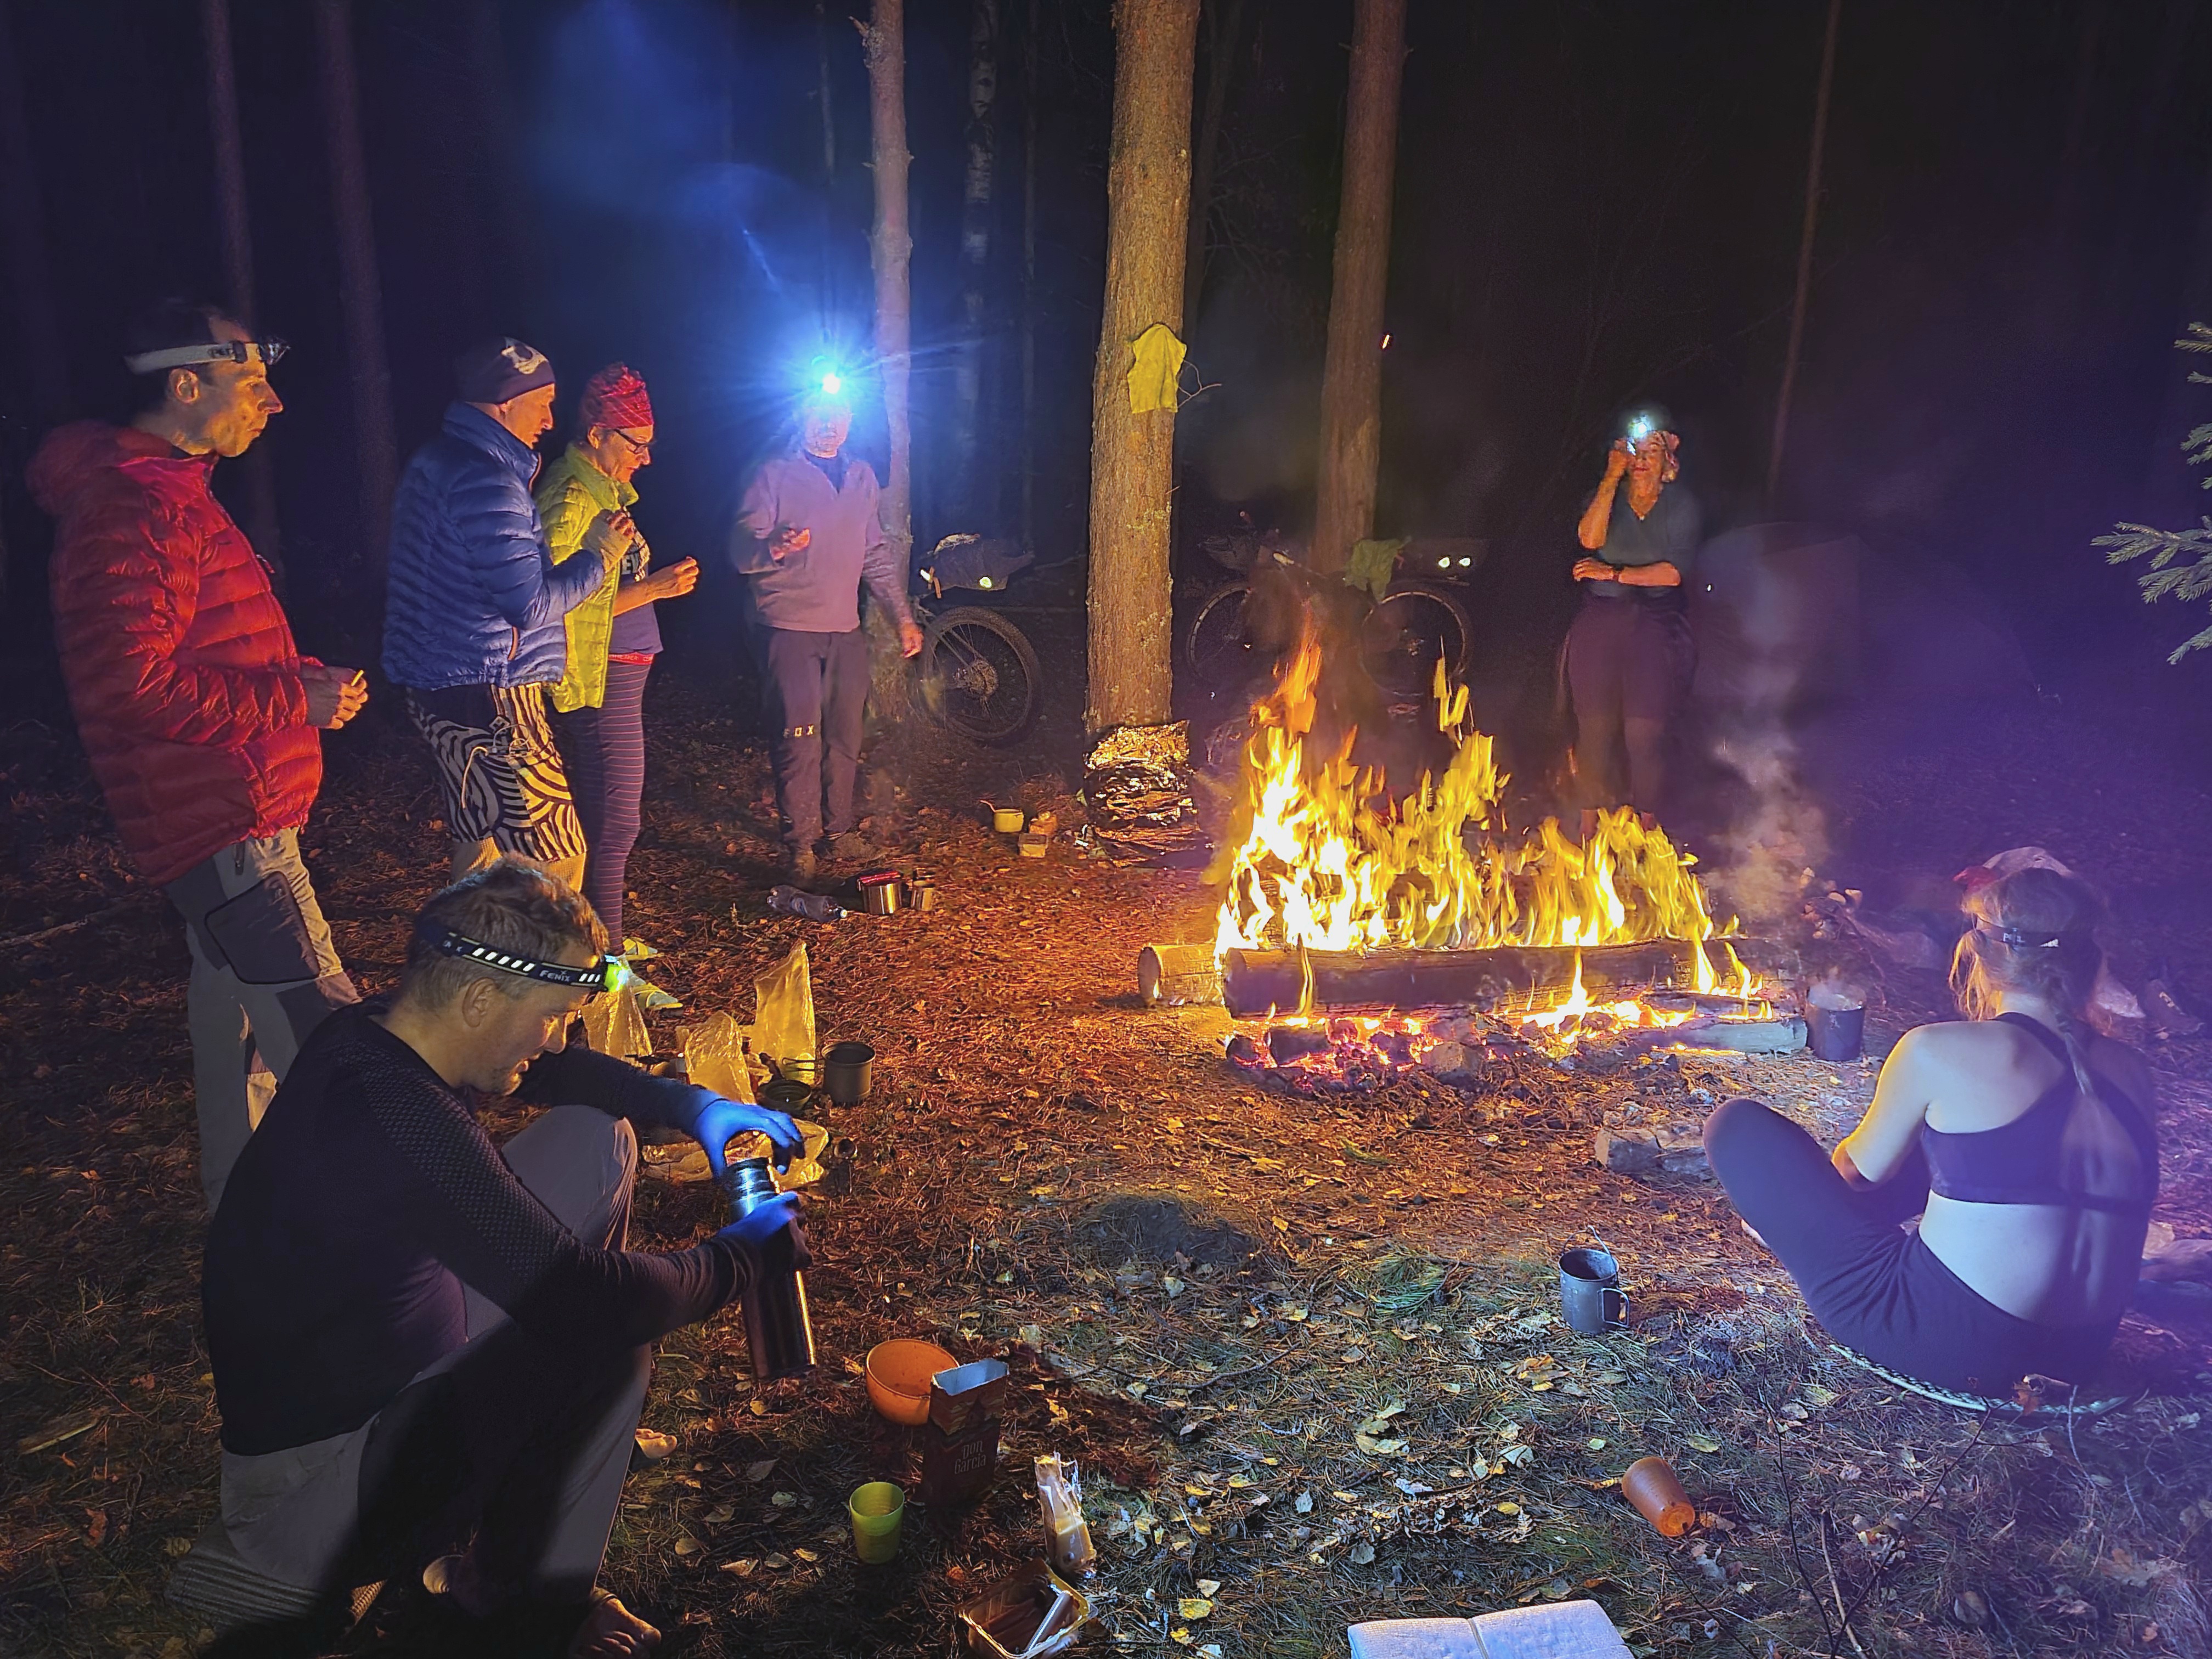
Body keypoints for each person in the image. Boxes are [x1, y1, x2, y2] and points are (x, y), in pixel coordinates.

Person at [202, 861, 807, 1656]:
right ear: (480, 1001)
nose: (555, 1039)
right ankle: (527, 1604)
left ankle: (533, 1470)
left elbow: (560, 1073)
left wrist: (695, 1106)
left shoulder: (377, 1033)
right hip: (312, 1496)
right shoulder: (399, 1119)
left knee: (597, 1137)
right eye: (552, 1016)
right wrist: (741, 1258)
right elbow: (588, 1302)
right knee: (599, 1339)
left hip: (397, 1368)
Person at [30, 300, 368, 1213]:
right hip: (229, 827)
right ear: (186, 385)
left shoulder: (169, 495)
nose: (273, 401)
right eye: (250, 381)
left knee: (236, 1043)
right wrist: (289, 701)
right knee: (332, 1049)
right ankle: (402, 1255)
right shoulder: (130, 508)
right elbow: (128, 687)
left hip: (230, 823)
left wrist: (297, 678)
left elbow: (193, 650)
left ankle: (244, 1235)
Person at [1704, 867, 2158, 1401]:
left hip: (1948, 1343)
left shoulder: (1936, 1050)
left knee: (1736, 1126)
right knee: (1949, 1140)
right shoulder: (2134, 1071)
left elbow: (1854, 1175)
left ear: (1979, 954)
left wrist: (1800, 1215)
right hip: (2080, 1356)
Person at [385, 337, 631, 893]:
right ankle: (550, 953)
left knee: (483, 847)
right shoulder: (487, 481)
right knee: (556, 859)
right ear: (505, 403)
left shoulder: (438, 461)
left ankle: (468, 950)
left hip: (440, 685)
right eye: (542, 403)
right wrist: (599, 556)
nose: (550, 420)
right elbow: (530, 606)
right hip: (492, 691)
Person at [538, 364, 698, 969]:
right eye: (637, 445)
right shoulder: (570, 497)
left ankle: (596, 940)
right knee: (614, 824)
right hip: (597, 678)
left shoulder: (605, 489)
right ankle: (604, 965)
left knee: (606, 819)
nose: (646, 459)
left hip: (621, 676)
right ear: (598, 433)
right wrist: (655, 589)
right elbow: (555, 600)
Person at [731, 382, 923, 882]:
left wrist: (902, 617)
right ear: (801, 413)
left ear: (851, 418)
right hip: (787, 627)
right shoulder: (772, 474)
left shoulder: (862, 477)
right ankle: (800, 843)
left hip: (845, 628)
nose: (829, 423)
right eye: (819, 412)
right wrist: (774, 546)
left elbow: (874, 554)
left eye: (839, 412)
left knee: (845, 734)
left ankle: (838, 831)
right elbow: (739, 550)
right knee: (799, 735)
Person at [1565, 411, 1700, 815]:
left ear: (1667, 463)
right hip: (1601, 617)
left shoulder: (1681, 506)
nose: (1641, 459)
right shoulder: (1609, 497)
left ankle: (1646, 825)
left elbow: (1672, 574)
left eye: (1652, 450)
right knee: (1594, 730)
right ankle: (1588, 827)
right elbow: (1590, 538)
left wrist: (1613, 573)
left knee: (1644, 735)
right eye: (1634, 450)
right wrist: (1610, 479)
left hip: (1655, 623)